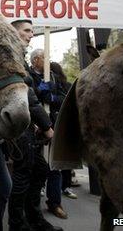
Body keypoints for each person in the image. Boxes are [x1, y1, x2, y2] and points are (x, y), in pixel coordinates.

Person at [8, 20, 62, 231]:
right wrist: (47, 126)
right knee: (22, 176)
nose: (31, 34)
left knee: (39, 169)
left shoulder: (18, 57)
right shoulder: (12, 57)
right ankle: (18, 224)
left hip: (27, 127)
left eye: (32, 30)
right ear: (15, 32)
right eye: (27, 30)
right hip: (19, 129)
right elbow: (27, 96)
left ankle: (33, 218)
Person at [28, 50, 69, 219]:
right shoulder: (27, 74)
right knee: (34, 167)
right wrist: (38, 91)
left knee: (54, 166)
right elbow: (28, 98)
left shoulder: (54, 76)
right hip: (35, 127)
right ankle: (31, 203)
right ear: (36, 60)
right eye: (45, 57)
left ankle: (55, 202)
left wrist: (50, 97)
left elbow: (63, 98)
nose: (48, 60)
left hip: (53, 126)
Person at [49, 62, 78, 200]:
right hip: (58, 123)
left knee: (60, 157)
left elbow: (65, 101)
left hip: (61, 123)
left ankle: (65, 186)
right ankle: (64, 186)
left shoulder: (65, 86)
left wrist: (53, 98)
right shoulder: (51, 84)